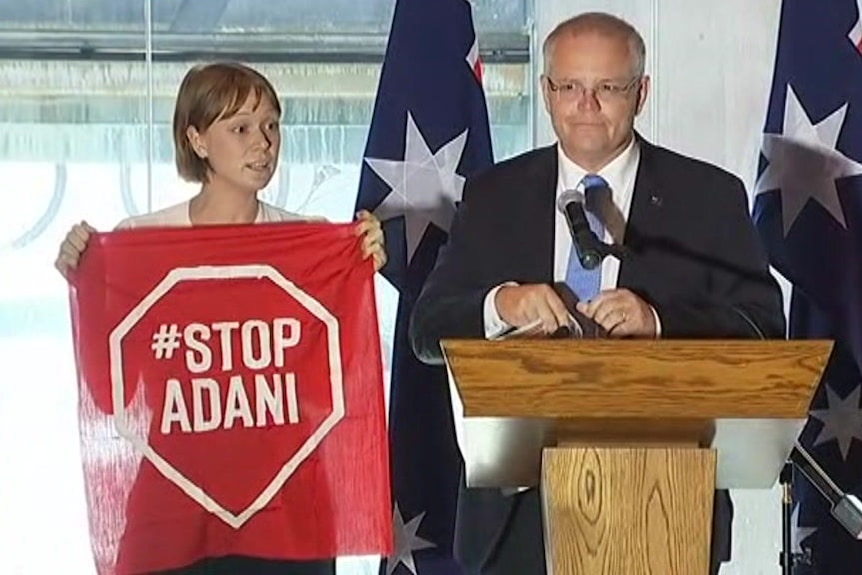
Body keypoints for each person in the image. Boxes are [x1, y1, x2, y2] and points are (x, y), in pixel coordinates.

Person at [409, 12, 785, 575]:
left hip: (666, 505)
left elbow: (761, 326)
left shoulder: (706, 196)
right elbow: (427, 331)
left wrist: (659, 321)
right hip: (515, 518)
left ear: (642, 93)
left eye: (607, 88)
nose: (587, 105)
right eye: (570, 87)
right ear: (546, 93)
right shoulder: (493, 196)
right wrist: (501, 304)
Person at [55, 62, 387, 575]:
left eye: (272, 126)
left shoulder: (308, 242)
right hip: (173, 507)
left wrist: (354, 272)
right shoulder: (141, 242)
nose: (264, 144)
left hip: (289, 511)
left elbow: (329, 389)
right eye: (241, 128)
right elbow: (112, 395)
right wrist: (89, 281)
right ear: (198, 140)